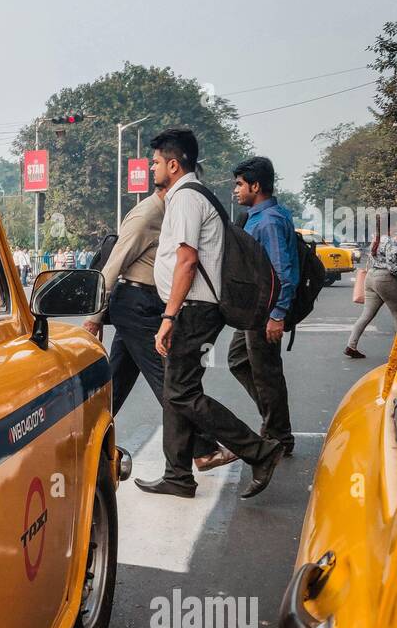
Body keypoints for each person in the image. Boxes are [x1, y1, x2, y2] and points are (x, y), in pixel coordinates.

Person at [134, 128, 282, 500]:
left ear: (173, 163)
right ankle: (178, 475)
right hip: (195, 308)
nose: (152, 169)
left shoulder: (185, 198)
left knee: (180, 393)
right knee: (177, 390)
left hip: (193, 309)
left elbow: (186, 261)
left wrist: (168, 318)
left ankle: (259, 450)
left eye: (155, 163)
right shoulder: (193, 195)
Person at [83, 186, 230, 472]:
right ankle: (204, 449)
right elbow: (114, 264)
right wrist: (96, 316)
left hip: (144, 303)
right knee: (167, 380)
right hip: (137, 303)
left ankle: (78, 440)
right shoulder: (148, 214)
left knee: (115, 381)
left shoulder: (171, 214)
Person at [227, 156, 299, 455]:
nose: (236, 190)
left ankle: (279, 436)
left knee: (266, 374)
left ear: (256, 186)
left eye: (240, 185)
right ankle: (273, 422)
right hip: (253, 312)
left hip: (265, 311)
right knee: (238, 360)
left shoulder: (269, 220)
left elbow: (283, 272)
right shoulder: (258, 216)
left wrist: (277, 315)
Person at [345, 215, 397, 358]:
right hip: (384, 279)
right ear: (391, 226)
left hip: (370, 277)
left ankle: (351, 345)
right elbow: (393, 267)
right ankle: (395, 353)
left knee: (366, 315)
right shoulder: (391, 242)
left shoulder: (376, 238)